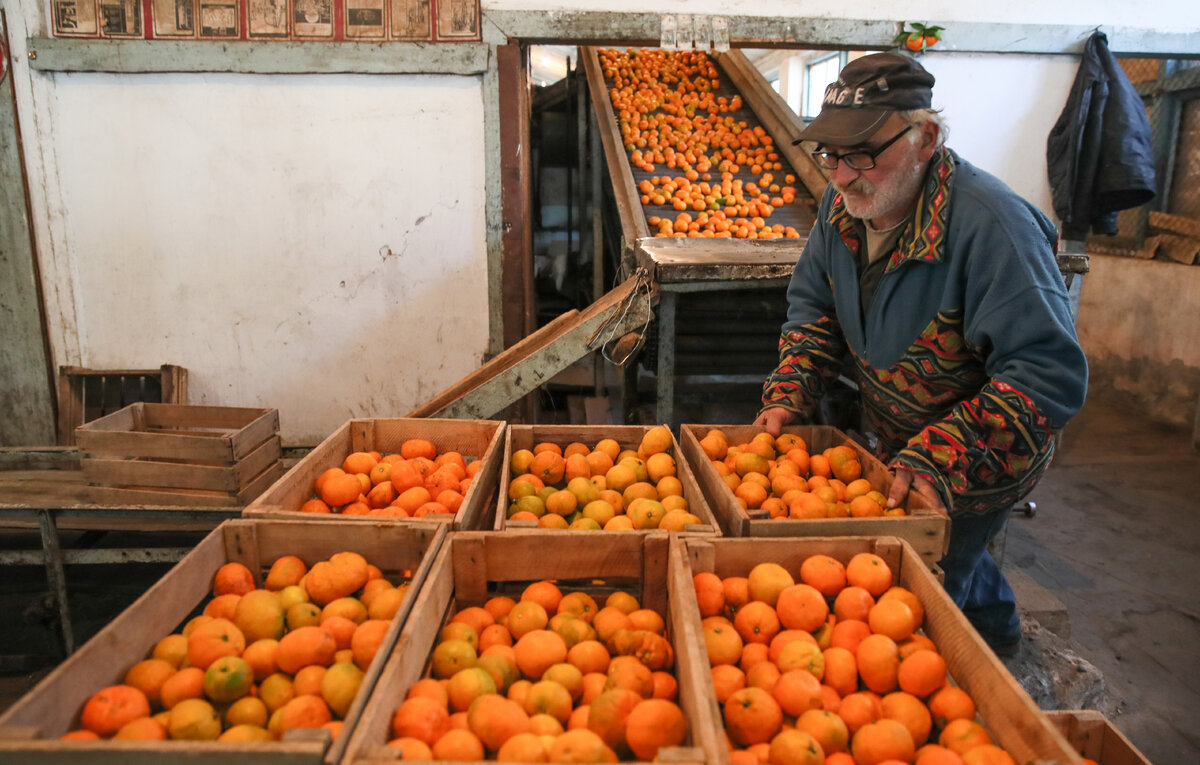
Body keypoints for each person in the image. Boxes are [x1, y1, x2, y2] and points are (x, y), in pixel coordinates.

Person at [754, 52, 1088, 654]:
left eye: (861, 153)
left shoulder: (991, 228)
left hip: (973, 459)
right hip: (895, 440)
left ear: (926, 137)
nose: (840, 174)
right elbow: (813, 310)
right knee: (957, 560)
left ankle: (982, 671)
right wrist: (789, 393)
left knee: (921, 603)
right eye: (830, 153)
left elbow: (1047, 373)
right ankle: (1001, 631)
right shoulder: (842, 210)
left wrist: (940, 457)